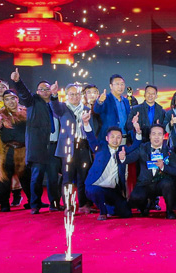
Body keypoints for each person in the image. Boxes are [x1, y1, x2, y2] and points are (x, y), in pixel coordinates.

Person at [11, 69, 66, 214]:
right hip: (38, 146)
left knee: (53, 178)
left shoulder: (56, 103)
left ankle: (54, 204)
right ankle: (35, 204)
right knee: (37, 178)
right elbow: (24, 94)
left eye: (47, 89)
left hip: (54, 146)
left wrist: (55, 96)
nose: (44, 91)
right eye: (41, 89)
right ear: (37, 91)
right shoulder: (33, 101)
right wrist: (17, 81)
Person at [82, 111, 140, 221]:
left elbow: (135, 145)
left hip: (112, 190)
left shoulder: (122, 150)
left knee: (127, 213)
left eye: (118, 137)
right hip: (95, 186)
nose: (115, 140)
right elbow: (91, 137)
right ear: (107, 138)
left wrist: (137, 130)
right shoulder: (101, 147)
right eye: (112, 137)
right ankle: (103, 212)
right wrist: (86, 123)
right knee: (97, 192)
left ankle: (109, 208)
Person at [55, 84, 95, 214]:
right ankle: (68, 205)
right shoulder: (62, 108)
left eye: (77, 94)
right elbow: (54, 106)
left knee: (83, 178)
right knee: (67, 178)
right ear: (67, 95)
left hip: (83, 147)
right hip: (68, 148)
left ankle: (83, 204)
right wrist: (54, 95)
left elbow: (91, 129)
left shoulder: (86, 109)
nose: (75, 97)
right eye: (72, 94)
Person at [126, 123, 176, 219]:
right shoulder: (142, 148)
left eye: (159, 134)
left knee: (168, 184)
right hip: (145, 183)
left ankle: (169, 211)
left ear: (164, 136)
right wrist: (122, 158)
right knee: (135, 198)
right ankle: (144, 208)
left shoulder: (169, 151)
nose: (156, 137)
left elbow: (175, 171)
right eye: (154, 134)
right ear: (149, 136)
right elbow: (129, 158)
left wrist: (163, 167)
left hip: (161, 183)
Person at [0, 89, 31, 212]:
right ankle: (4, 204)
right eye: (7, 99)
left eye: (13, 98)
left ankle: (33, 201)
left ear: (17, 99)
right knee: (5, 179)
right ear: (4, 101)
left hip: (23, 150)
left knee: (26, 178)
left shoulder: (26, 112)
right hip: (7, 150)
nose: (10, 101)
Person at [0, 78, 22, 206]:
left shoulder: (12, 102)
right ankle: (1, 197)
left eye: (3, 86)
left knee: (15, 169)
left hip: (11, 141)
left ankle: (17, 194)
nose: (0, 89)